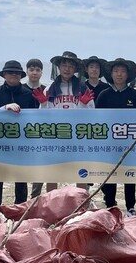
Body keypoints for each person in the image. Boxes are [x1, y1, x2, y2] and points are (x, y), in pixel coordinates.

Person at [33, 51, 95, 191]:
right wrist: (43, 104)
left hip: (77, 137)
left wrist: (84, 104)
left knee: (81, 171)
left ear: (75, 69)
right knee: (52, 172)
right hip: (56, 137)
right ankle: (51, 200)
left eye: (70, 66)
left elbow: (91, 116)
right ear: (59, 68)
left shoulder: (83, 88)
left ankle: (81, 200)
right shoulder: (49, 89)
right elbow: (42, 118)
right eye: (64, 65)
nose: (67, 69)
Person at [0, 60, 39, 208]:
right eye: (10, 72)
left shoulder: (29, 94)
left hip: (20, 142)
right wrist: (4, 108)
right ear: (4, 75)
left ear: (21, 75)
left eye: (16, 73)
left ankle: (20, 207)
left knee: (21, 176)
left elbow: (35, 118)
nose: (13, 75)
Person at [96, 58, 136, 216]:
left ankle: (130, 207)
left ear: (128, 75)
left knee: (130, 174)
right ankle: (110, 204)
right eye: (116, 71)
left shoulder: (135, 95)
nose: (119, 74)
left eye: (123, 71)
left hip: (130, 143)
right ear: (111, 73)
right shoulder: (104, 95)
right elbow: (97, 120)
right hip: (108, 143)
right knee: (110, 174)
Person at [24, 58, 45, 198]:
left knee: (40, 167)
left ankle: (35, 196)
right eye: (31, 69)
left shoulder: (46, 90)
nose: (34, 72)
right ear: (27, 71)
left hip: (41, 134)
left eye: (37, 70)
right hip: (22, 134)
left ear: (41, 72)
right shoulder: (20, 89)